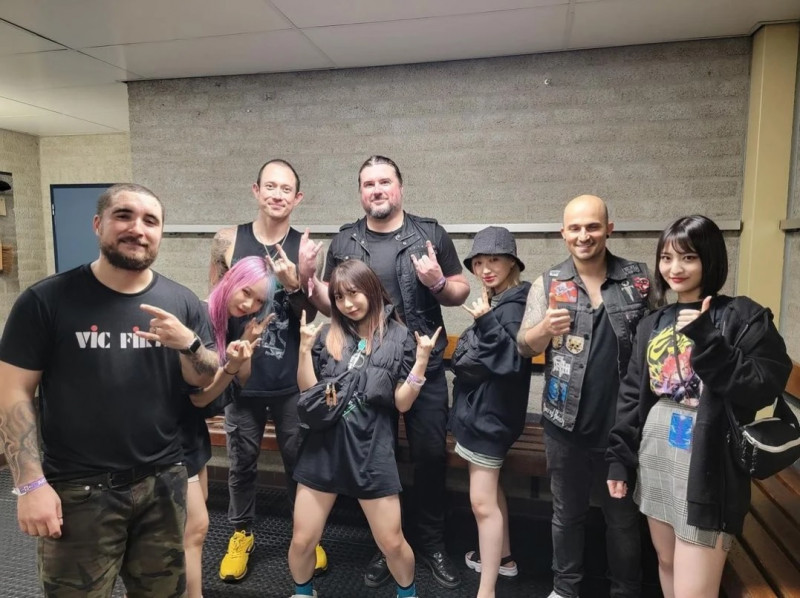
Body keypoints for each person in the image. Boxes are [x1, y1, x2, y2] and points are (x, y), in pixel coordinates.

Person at [0, 183, 218, 597]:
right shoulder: (46, 301)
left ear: (160, 233)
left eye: (150, 221)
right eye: (124, 216)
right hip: (79, 489)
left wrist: (189, 344)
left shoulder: (181, 301)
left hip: (162, 483)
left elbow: (203, 378)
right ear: (98, 224)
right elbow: (12, 394)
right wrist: (30, 485)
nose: (138, 228)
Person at [302, 155, 470, 589]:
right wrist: (305, 279)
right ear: (361, 192)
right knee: (378, 460)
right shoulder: (345, 240)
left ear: (400, 187)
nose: (377, 190)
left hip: (421, 366)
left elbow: (460, 290)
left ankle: (430, 542)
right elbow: (331, 302)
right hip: (364, 372)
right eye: (368, 184)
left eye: (384, 182)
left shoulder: (428, 233)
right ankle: (385, 545)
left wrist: (437, 282)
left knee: (430, 456)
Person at [606, 215, 792, 598]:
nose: (675, 268)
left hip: (708, 459)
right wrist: (619, 459)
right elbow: (631, 396)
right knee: (667, 562)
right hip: (656, 449)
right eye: (667, 258)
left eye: (688, 257)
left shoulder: (742, 317)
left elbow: (763, 385)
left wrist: (710, 343)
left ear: (710, 259)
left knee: (695, 587)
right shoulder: (653, 322)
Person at [516, 195, 651, 598]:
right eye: (574, 228)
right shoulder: (548, 283)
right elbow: (524, 345)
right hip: (564, 424)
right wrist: (544, 329)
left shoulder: (639, 280)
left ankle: (626, 590)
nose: (583, 235)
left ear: (608, 229)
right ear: (563, 233)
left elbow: (658, 341)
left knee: (622, 519)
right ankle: (565, 588)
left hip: (623, 427)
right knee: (567, 515)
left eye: (592, 226)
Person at [288, 259, 440, 598]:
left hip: (371, 449)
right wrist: (303, 350)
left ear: (371, 289)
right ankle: (303, 592)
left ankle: (408, 594)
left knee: (392, 543)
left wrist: (421, 362)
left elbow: (402, 403)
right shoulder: (328, 334)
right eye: (339, 297)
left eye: (353, 293)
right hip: (323, 448)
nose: (347, 304)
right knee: (302, 540)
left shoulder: (398, 336)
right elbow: (311, 393)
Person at [209, 158, 327, 581]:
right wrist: (225, 363)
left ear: (297, 198)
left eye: (286, 189)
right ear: (256, 190)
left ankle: (306, 536)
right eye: (270, 186)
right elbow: (215, 306)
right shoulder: (227, 240)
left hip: (291, 380)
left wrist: (295, 284)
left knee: (300, 463)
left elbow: (312, 315)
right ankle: (241, 533)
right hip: (242, 378)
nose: (277, 195)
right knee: (241, 463)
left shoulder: (305, 248)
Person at [180, 255, 274, 598]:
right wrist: (231, 367)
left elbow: (239, 383)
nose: (249, 305)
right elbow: (201, 397)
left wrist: (245, 348)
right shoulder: (200, 316)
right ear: (231, 278)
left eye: (259, 301)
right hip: (172, 431)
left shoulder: (235, 322)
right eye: (246, 292)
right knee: (190, 527)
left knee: (194, 526)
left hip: (192, 431)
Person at [449, 226, 532, 598]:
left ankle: (487, 590)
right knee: (491, 493)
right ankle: (504, 559)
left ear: (512, 262)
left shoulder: (511, 307)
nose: (485, 269)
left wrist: (484, 320)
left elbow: (511, 363)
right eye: (479, 262)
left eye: (494, 260)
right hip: (485, 415)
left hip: (489, 419)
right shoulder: (503, 299)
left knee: (482, 504)